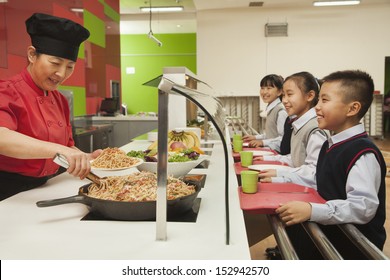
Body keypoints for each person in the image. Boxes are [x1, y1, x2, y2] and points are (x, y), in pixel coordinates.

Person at [276, 70, 387, 259]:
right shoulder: (332, 143)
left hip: (353, 249)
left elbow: (362, 207)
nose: (317, 107)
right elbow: (318, 178)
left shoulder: (362, 152)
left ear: (352, 109)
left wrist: (312, 210)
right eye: (318, 100)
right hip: (332, 235)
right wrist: (280, 178)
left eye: (324, 101)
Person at [0, 13, 102, 201]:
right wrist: (61, 150)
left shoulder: (60, 100)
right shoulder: (6, 91)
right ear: (32, 55)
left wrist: (83, 157)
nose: (62, 74)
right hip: (8, 192)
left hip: (47, 185)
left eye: (70, 66)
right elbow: (2, 137)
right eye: (55, 63)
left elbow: (67, 146)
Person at [257, 72, 329, 189]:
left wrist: (281, 175)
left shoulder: (314, 129)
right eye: (283, 95)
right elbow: (295, 158)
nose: (284, 100)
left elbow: (314, 172)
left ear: (309, 96)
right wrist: (269, 159)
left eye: (289, 95)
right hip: (300, 187)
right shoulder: (299, 124)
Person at [242, 74, 288, 153]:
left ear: (280, 91)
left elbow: (283, 139)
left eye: (269, 88)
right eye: (262, 88)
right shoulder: (272, 108)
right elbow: (271, 135)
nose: (264, 92)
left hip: (277, 154)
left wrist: (262, 142)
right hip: (271, 151)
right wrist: (255, 137)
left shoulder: (281, 111)